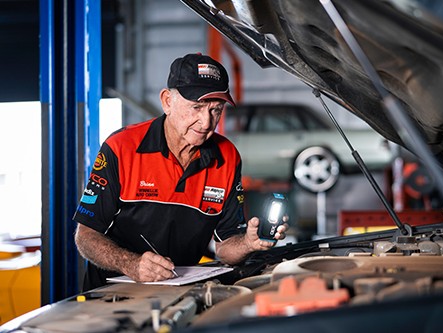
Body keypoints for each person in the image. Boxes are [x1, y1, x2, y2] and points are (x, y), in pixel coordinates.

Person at [73, 53, 288, 291]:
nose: (206, 122)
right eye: (196, 107)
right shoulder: (121, 147)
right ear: (167, 101)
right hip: (111, 295)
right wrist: (131, 264)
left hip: (180, 294)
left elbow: (225, 248)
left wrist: (248, 242)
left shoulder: (227, 157)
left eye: (216, 110)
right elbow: (85, 236)